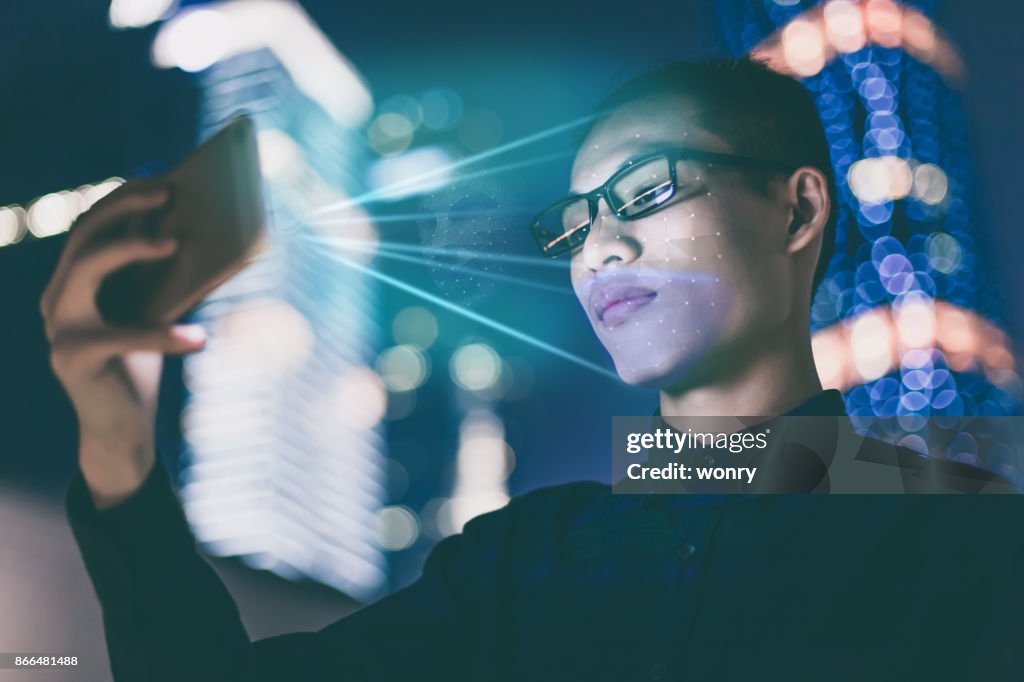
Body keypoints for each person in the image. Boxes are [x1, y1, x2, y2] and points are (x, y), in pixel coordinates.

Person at [44, 59, 1020, 681]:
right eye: (575, 221)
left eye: (645, 190)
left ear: (797, 212)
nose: (599, 247)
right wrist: (112, 418)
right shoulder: (521, 563)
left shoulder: (967, 538)